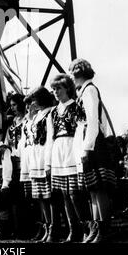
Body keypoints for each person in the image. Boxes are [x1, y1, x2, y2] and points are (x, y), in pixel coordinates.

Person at [69, 58, 117, 243]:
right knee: (92, 190)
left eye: (72, 73)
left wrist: (87, 148)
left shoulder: (89, 90)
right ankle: (97, 228)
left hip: (93, 144)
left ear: (77, 73)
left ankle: (103, 229)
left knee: (98, 188)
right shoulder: (84, 91)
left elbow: (93, 122)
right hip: (86, 142)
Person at [45, 73, 92, 243]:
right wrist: (48, 162)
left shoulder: (76, 106)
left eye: (59, 88)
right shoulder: (52, 113)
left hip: (73, 149)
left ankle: (87, 229)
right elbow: (50, 137)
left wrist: (81, 153)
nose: (56, 92)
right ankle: (74, 231)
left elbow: (82, 130)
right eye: (54, 89)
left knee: (75, 193)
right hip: (58, 151)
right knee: (64, 194)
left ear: (67, 88)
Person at [27, 86, 56, 242]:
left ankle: (53, 228)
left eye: (35, 99)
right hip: (35, 158)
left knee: (49, 196)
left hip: (45, 155)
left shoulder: (51, 112)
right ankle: (46, 226)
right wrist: (31, 116)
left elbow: (50, 137)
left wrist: (49, 162)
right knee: (40, 197)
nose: (33, 103)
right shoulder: (36, 115)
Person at [4, 93, 26, 238]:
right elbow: (7, 143)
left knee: (26, 197)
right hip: (13, 162)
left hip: (25, 160)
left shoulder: (27, 120)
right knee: (15, 198)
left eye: (14, 105)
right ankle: (17, 228)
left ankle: (27, 227)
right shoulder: (11, 124)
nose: (12, 108)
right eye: (11, 105)